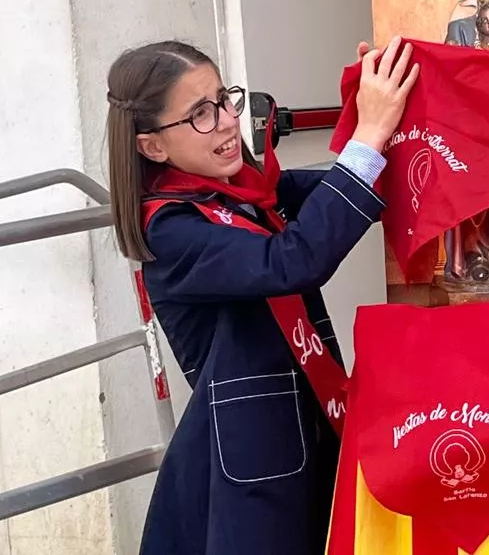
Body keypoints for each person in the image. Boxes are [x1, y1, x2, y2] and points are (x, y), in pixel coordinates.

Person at [105, 38, 416, 555]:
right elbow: (293, 261)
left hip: (306, 427)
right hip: (251, 462)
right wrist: (369, 130)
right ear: (152, 146)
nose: (227, 122)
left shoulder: (243, 190)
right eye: (200, 115)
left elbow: (348, 191)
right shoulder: (171, 230)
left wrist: (388, 106)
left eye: (225, 100)